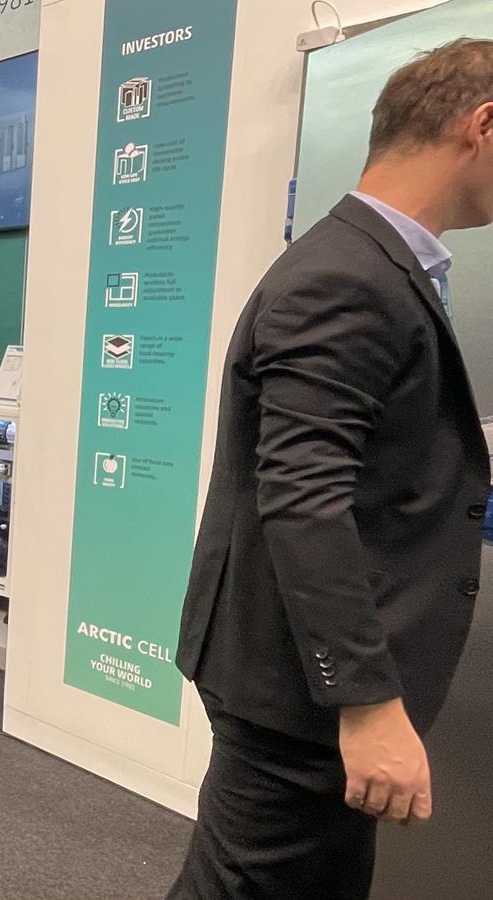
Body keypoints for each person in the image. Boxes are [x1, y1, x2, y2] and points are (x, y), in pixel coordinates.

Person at [169, 40, 493, 899]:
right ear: (483, 126)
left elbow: (357, 461)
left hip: (297, 681)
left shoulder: (371, 263)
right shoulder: (349, 276)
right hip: (299, 695)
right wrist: (368, 703)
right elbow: (304, 498)